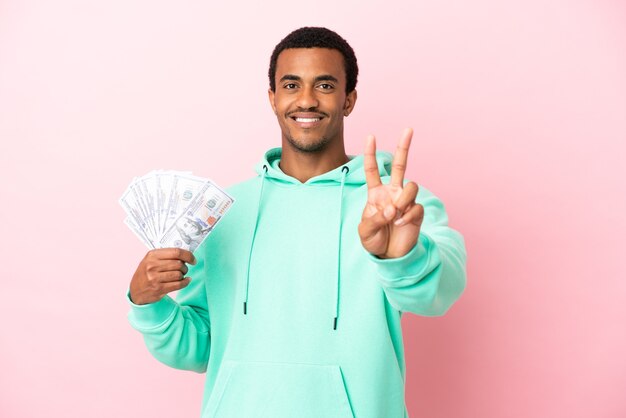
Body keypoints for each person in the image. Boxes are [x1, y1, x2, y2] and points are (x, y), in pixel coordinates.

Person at [127, 26, 466, 418]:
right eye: (291, 85)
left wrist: (402, 259)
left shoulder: (396, 204)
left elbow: (441, 292)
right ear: (272, 98)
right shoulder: (221, 211)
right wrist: (148, 303)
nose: (306, 100)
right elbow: (201, 346)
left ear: (348, 99)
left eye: (324, 85)